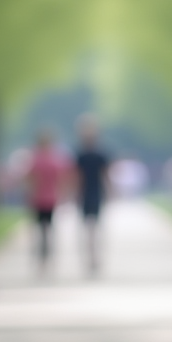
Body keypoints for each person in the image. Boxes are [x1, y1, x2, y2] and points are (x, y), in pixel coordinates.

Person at [24, 129, 68, 274]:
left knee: (39, 230)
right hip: (50, 199)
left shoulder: (35, 159)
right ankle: (48, 257)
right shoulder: (55, 159)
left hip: (38, 199)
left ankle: (42, 259)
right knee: (48, 230)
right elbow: (61, 179)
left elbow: (30, 179)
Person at [74, 114, 111, 275]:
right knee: (91, 228)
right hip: (89, 194)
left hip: (93, 193)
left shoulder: (86, 155)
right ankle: (92, 258)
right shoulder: (84, 155)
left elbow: (105, 176)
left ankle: (93, 257)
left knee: (92, 228)